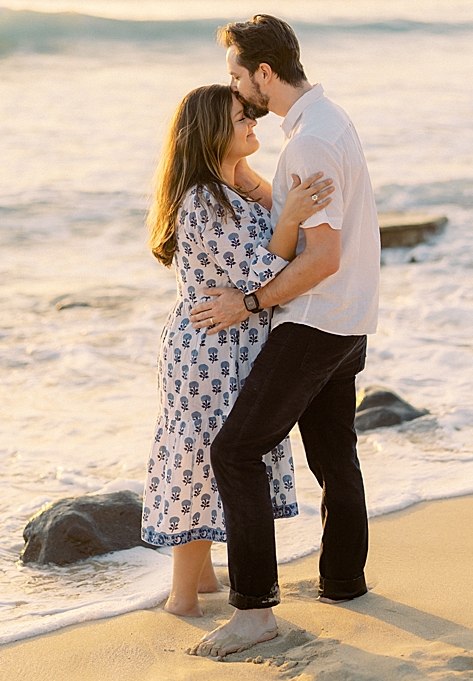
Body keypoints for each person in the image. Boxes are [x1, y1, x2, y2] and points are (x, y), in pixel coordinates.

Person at [188, 14, 382, 659]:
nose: (237, 90)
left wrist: (248, 302)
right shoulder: (329, 124)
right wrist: (262, 193)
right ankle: (343, 583)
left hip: (316, 320)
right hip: (349, 317)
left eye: (238, 77)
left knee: (235, 453)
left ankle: (254, 613)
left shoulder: (309, 143)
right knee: (333, 457)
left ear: (264, 73)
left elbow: (321, 256)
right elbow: (312, 228)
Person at [142, 84, 333, 617]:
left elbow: (268, 253)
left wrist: (274, 201)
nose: (253, 122)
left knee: (208, 453)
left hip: (228, 346)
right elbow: (264, 269)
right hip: (208, 349)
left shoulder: (228, 192)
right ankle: (182, 598)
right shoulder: (204, 200)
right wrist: (291, 214)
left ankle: (202, 581)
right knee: (202, 459)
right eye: (240, 118)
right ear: (211, 135)